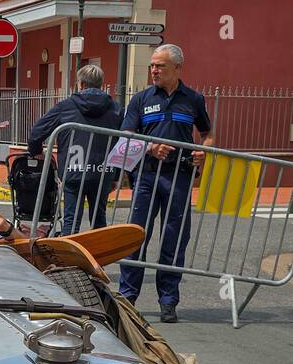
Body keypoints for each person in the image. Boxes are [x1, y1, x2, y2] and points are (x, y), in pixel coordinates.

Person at [118, 44, 212, 322]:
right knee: (136, 235)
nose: (154, 70)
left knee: (175, 238)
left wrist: (203, 151)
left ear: (177, 69)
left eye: (160, 66)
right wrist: (149, 148)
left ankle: (168, 301)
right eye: (152, 66)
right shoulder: (141, 98)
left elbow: (208, 133)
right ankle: (127, 297)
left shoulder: (193, 99)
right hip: (146, 176)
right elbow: (126, 134)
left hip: (179, 177)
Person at [27, 64, 121, 235]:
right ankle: (98, 258)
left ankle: (69, 259)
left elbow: (36, 132)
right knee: (99, 219)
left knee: (71, 221)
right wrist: (116, 175)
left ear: (81, 84)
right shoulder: (115, 108)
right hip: (103, 171)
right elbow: (123, 142)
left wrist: (36, 152)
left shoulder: (66, 106)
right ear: (101, 84)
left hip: (74, 170)